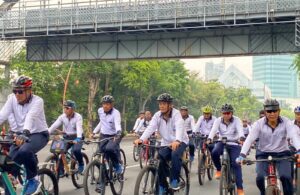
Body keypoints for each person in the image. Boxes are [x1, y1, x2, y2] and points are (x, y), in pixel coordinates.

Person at [236, 99, 300, 195]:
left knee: (285, 177)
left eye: (275, 111)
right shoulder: (258, 124)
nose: (272, 114)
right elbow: (249, 139)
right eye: (269, 111)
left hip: (282, 153)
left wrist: (299, 150)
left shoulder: (286, 122)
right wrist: (242, 155)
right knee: (260, 178)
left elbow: (294, 136)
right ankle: (263, 192)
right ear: (265, 112)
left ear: (279, 111)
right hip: (263, 153)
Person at [0, 75, 49, 194]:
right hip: (19, 135)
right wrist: (20, 134)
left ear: (29, 91)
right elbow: (2, 115)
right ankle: (11, 183)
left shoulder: (38, 101)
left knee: (24, 151)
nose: (17, 94)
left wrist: (25, 132)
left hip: (38, 134)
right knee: (7, 165)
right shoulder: (12, 99)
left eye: (20, 91)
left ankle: (33, 179)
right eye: (15, 91)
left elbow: (30, 117)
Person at [134, 93, 188, 195]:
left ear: (170, 105)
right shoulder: (157, 115)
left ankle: (174, 180)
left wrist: (177, 140)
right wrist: (141, 139)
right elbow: (150, 128)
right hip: (166, 143)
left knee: (175, 154)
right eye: (160, 104)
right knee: (160, 157)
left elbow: (180, 127)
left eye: (164, 104)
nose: (161, 106)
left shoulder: (176, 114)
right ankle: (162, 186)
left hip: (181, 141)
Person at [207, 103, 245, 195]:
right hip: (222, 142)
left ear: (231, 113)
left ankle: (240, 188)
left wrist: (241, 138)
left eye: (228, 113)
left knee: (236, 164)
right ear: (221, 113)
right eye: (224, 113)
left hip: (234, 143)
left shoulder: (237, 120)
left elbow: (240, 130)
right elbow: (213, 130)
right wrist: (209, 138)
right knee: (215, 152)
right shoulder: (218, 120)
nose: (226, 115)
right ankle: (219, 169)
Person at [92, 95, 123, 191]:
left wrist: (118, 133)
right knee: (100, 155)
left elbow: (117, 124)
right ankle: (102, 182)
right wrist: (94, 132)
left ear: (112, 105)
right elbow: (102, 122)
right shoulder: (100, 111)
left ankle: (117, 165)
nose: (105, 106)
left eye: (108, 104)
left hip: (114, 135)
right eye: (104, 104)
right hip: (103, 135)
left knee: (109, 149)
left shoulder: (116, 113)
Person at [48, 100, 85, 174]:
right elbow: (54, 126)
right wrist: (46, 133)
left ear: (73, 109)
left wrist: (78, 138)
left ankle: (81, 163)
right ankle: (61, 170)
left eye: (67, 108)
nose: (65, 110)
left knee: (76, 150)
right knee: (59, 150)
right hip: (67, 137)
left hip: (77, 136)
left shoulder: (78, 117)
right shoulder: (62, 117)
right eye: (64, 108)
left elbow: (79, 128)